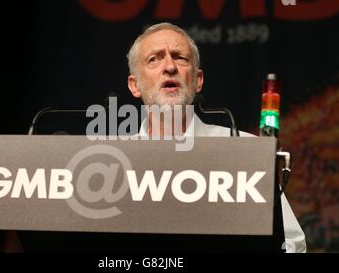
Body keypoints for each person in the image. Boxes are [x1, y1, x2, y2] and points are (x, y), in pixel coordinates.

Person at [126, 22, 306, 253]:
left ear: (198, 80)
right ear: (135, 85)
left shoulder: (244, 151)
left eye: (180, 58)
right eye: (154, 59)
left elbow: (292, 245)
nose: (169, 66)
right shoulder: (114, 159)